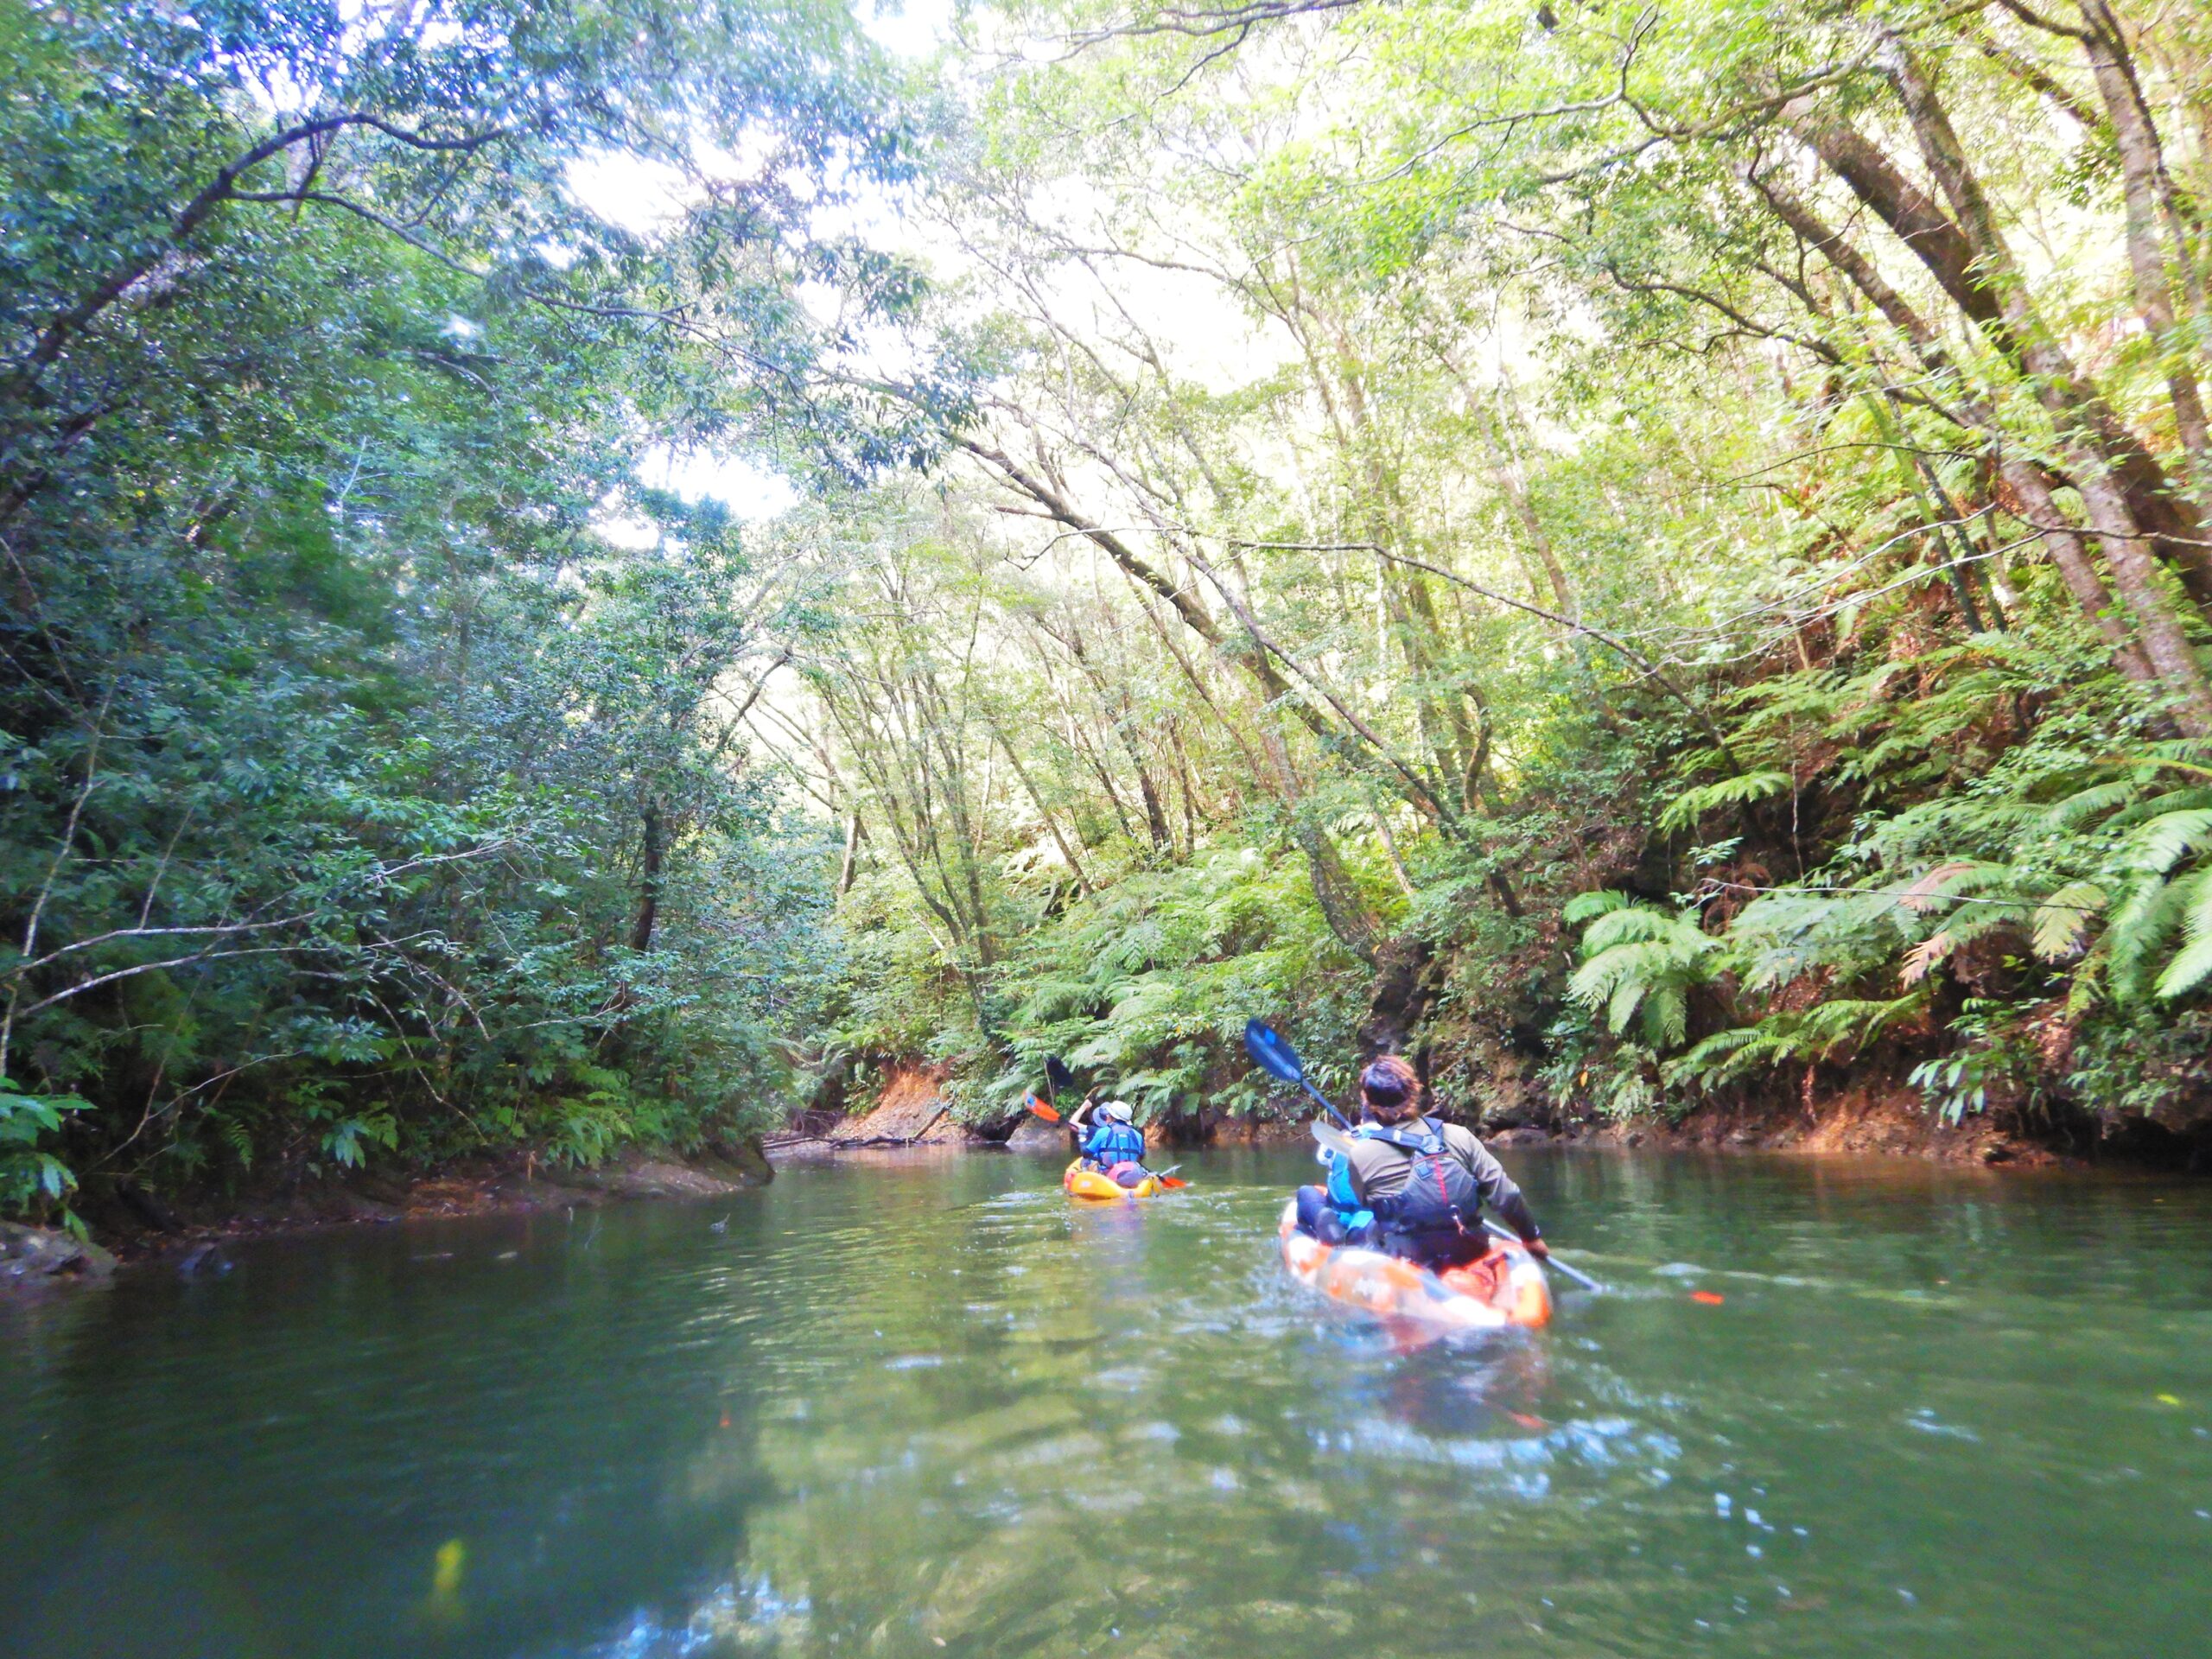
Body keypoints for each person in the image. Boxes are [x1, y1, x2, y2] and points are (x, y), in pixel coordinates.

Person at [1294, 1055, 1550, 1271]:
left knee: (1367, 1226)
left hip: (1408, 1255)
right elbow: (1506, 1195)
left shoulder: (1361, 1153)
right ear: (1415, 1091)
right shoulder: (1458, 1135)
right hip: (1469, 1248)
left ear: (1369, 1104)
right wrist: (1532, 1238)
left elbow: (1365, 1203)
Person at [1070, 1096, 1150, 1186]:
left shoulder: (1103, 1132)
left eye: (1109, 1114)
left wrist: (1083, 1141)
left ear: (1112, 1117)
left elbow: (1086, 1154)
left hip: (1108, 1175)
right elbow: (1141, 1155)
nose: (1107, 1116)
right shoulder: (1137, 1135)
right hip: (1133, 1175)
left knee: (1085, 1161)